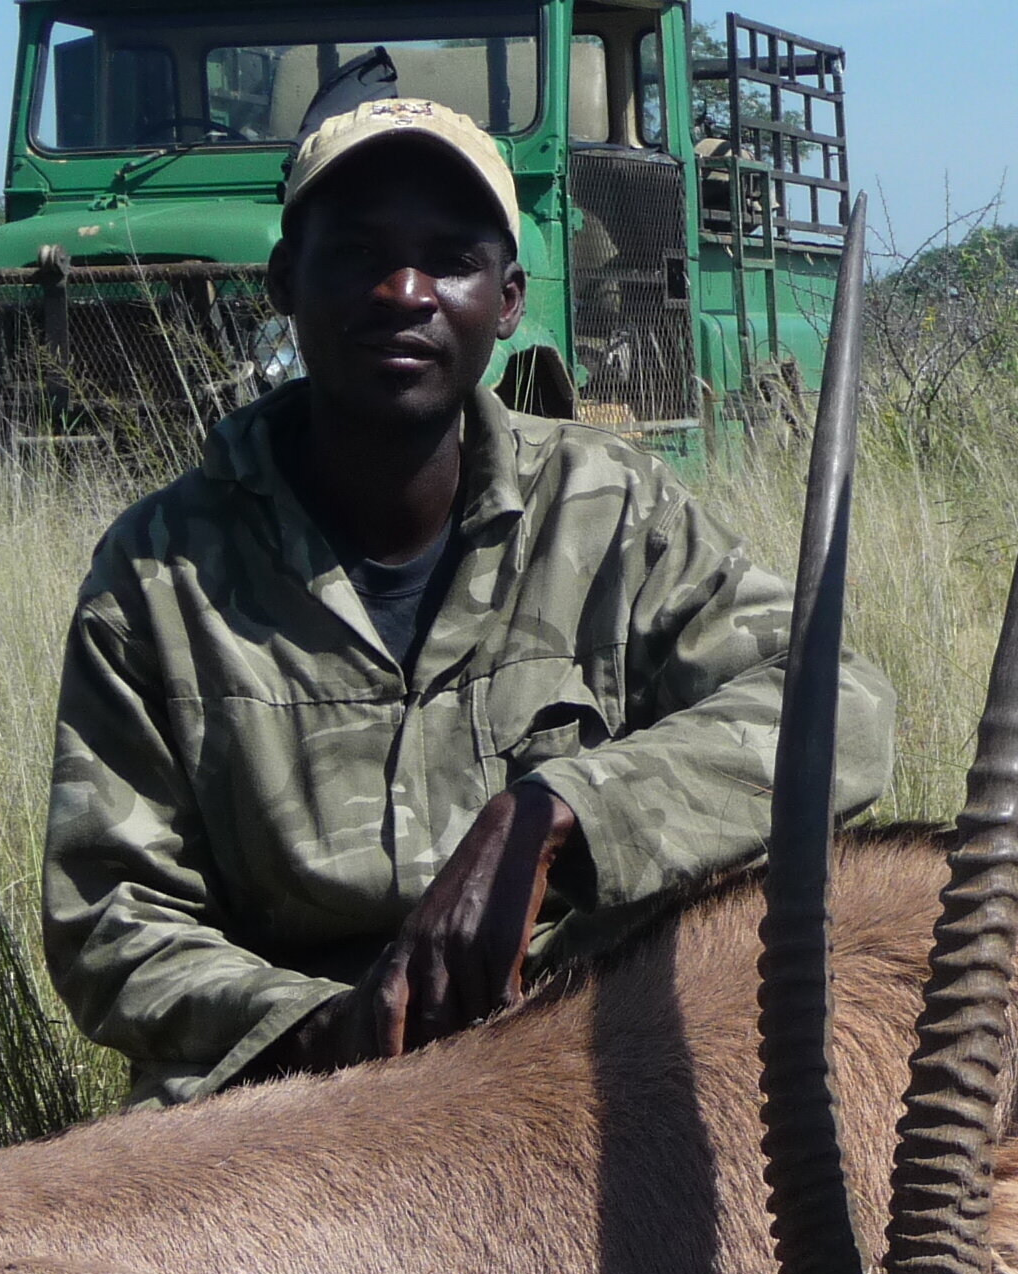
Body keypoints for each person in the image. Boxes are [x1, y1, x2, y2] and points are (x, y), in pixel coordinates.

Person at [46, 98, 895, 1104]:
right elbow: (110, 917)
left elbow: (839, 711)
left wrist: (561, 810)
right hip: (272, 1105)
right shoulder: (159, 569)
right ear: (284, 283)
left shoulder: (610, 509)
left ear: (506, 300)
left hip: (570, 1067)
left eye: (450, 259)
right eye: (357, 252)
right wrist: (327, 1028)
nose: (403, 291)